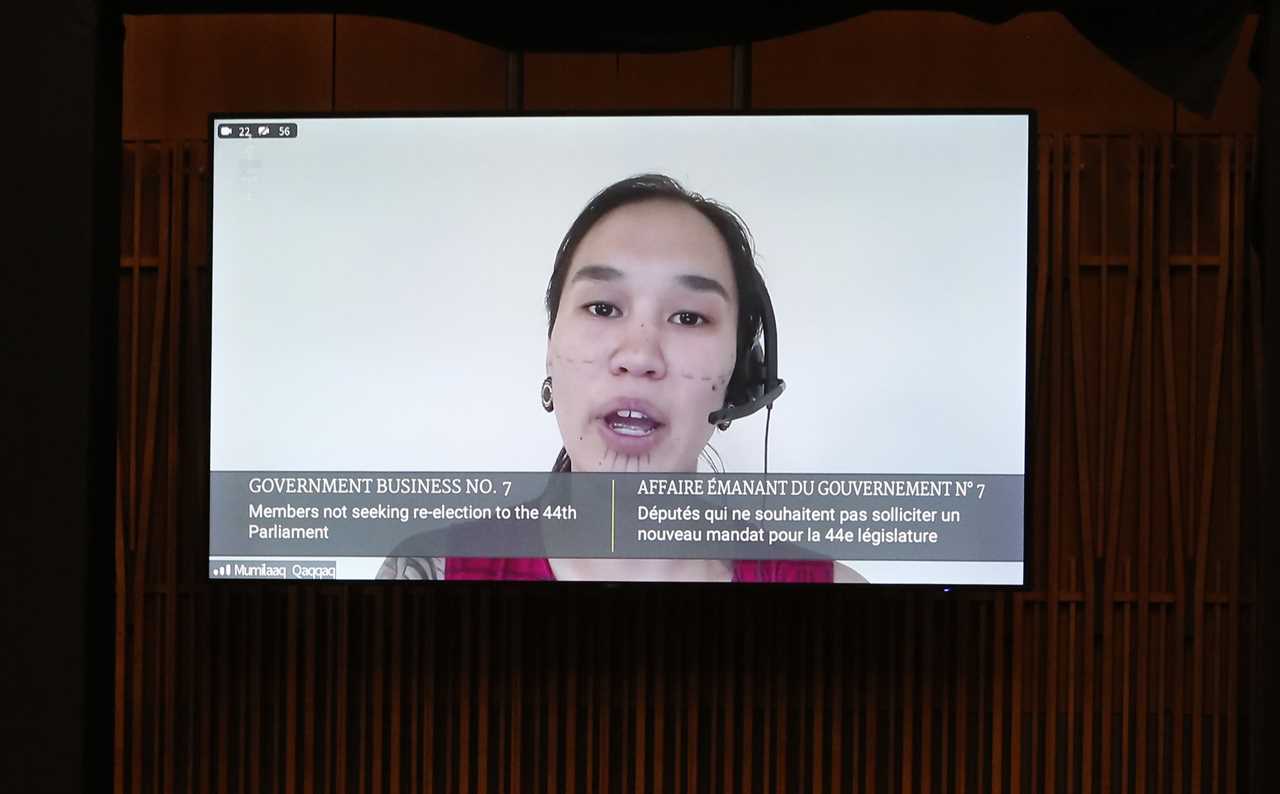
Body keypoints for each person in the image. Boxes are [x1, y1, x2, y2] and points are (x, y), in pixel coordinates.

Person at [378, 174, 839, 582]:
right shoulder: (426, 572)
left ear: (740, 375)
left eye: (688, 317)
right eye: (602, 308)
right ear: (551, 350)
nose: (638, 356)